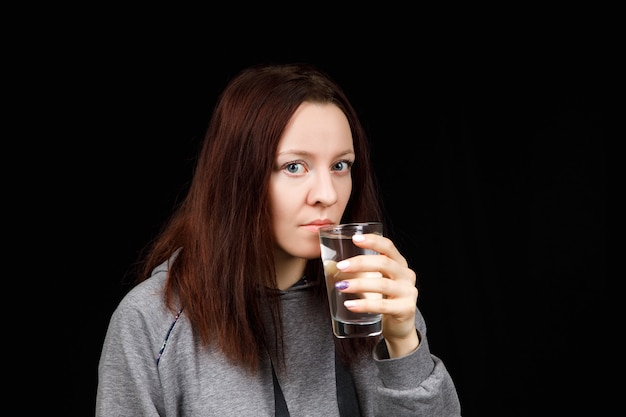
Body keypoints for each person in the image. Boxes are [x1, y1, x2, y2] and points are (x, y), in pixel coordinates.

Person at [96, 62, 462, 416]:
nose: (327, 194)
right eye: (294, 166)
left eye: (340, 165)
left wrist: (403, 342)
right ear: (237, 177)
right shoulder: (152, 322)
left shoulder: (369, 298)